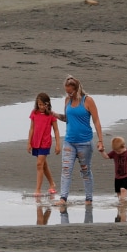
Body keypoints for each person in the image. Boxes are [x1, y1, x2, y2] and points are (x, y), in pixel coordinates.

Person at [54, 75, 104, 206]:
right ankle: (63, 198)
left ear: (76, 89)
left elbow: (96, 120)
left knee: (85, 170)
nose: (68, 94)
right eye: (67, 91)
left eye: (70, 91)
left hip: (85, 143)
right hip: (69, 141)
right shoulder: (67, 101)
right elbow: (67, 119)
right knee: (66, 169)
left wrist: (100, 140)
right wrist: (53, 114)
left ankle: (89, 198)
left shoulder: (88, 101)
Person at [27, 92, 61, 198]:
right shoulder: (34, 113)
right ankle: (52, 184)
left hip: (45, 142)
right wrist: (29, 142)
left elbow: (56, 130)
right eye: (39, 104)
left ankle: (37, 189)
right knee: (43, 165)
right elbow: (32, 128)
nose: (41, 107)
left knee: (39, 164)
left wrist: (58, 144)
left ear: (47, 104)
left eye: (43, 104)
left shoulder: (50, 115)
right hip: (36, 142)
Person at [105, 136, 127, 202]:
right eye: (115, 151)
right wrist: (102, 151)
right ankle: (121, 204)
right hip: (117, 176)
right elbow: (106, 156)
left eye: (119, 151)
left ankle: (123, 203)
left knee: (123, 189)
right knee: (118, 192)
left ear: (123, 146)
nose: (117, 152)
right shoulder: (114, 152)